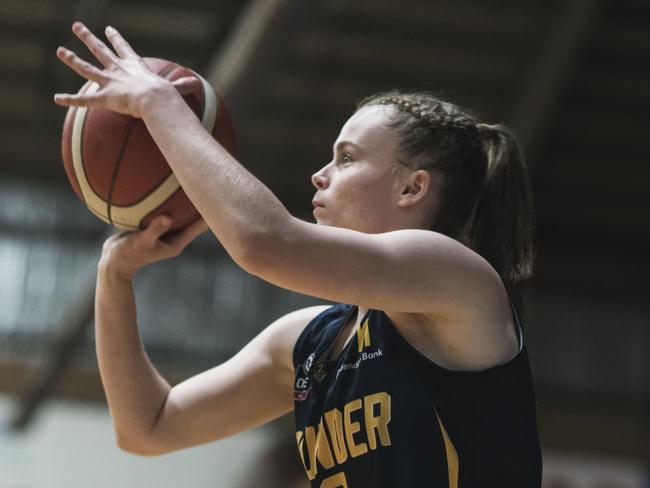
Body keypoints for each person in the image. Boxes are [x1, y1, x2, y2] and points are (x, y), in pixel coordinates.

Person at [54, 22, 542, 487]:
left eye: (347, 158)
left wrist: (159, 103)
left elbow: (266, 243)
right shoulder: (310, 344)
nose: (320, 175)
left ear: (413, 187)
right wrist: (114, 276)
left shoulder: (454, 277)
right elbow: (148, 426)